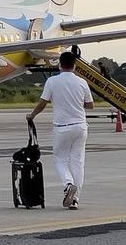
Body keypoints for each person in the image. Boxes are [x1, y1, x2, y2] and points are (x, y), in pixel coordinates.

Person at [26, 51, 94, 209]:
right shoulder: (82, 82)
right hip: (81, 126)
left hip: (62, 127)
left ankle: (68, 184)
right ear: (75, 65)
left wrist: (32, 115)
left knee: (59, 159)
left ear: (59, 64)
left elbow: (43, 103)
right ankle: (75, 199)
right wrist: (76, 104)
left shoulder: (52, 81)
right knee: (78, 163)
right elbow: (90, 105)